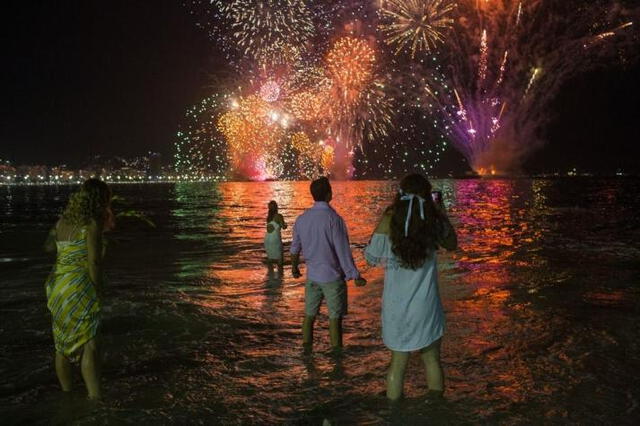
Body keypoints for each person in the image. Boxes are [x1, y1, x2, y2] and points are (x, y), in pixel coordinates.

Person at [364, 174, 457, 402]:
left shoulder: (391, 219)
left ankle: (394, 414)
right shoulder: (433, 220)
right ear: (427, 194)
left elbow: (371, 257)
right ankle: (435, 411)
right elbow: (453, 244)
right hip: (426, 305)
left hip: (396, 307)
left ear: (400, 193)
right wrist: (440, 211)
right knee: (432, 359)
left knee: (397, 363)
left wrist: (383, 223)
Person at [44, 178, 113, 400]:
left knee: (61, 344)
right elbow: (94, 263)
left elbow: (47, 248)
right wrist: (97, 290)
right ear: (100, 200)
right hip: (78, 285)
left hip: (56, 285)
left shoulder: (61, 221)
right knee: (89, 342)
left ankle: (67, 395)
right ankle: (95, 398)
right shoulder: (91, 223)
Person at [290, 177, 367, 352]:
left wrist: (294, 267)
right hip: (332, 278)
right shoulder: (334, 219)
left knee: (309, 317)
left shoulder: (302, 219)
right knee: (335, 318)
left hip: (312, 277)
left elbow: (295, 247)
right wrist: (354, 275)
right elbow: (343, 250)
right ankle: (336, 358)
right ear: (329, 194)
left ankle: (306, 353)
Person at [264, 200, 287, 273]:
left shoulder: (268, 218)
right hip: (275, 239)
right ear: (276, 207)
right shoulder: (279, 216)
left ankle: (270, 278)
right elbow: (283, 227)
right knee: (280, 261)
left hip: (267, 239)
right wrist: (285, 225)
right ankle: (280, 278)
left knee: (270, 260)